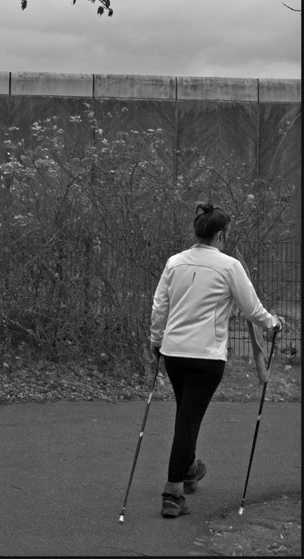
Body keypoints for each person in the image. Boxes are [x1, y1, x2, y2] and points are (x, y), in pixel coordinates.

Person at [150, 203, 283, 519]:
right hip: (206, 357)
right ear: (221, 235)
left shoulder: (174, 263)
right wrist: (273, 323)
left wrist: (156, 341)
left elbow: (159, 307)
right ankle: (173, 492)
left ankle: (189, 469)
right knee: (188, 419)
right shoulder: (229, 266)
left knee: (186, 415)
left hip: (174, 354)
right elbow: (252, 309)